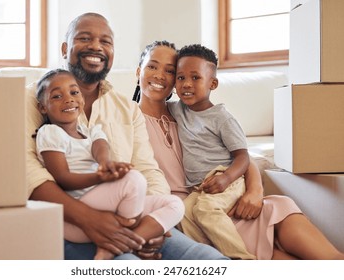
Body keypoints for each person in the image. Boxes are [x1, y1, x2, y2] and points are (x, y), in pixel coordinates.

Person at [26, 13, 228, 260]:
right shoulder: (32, 100)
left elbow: (148, 169)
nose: (96, 47)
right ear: (65, 48)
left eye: (106, 41)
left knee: (211, 260)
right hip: (68, 224)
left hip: (132, 219)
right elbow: (28, 173)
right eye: (85, 38)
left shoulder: (128, 109)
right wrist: (90, 219)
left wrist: (154, 227)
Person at [133, 40, 344, 260]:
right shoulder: (126, 121)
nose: (160, 75)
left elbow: (241, 156)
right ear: (139, 71)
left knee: (326, 255)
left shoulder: (185, 112)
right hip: (195, 219)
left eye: (170, 70)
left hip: (232, 200)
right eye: (152, 66)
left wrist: (255, 191)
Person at [34, 69, 184, 260]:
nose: (68, 99)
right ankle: (126, 240)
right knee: (133, 179)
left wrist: (107, 164)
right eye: (56, 96)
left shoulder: (90, 131)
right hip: (77, 220)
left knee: (174, 205)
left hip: (110, 210)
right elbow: (62, 178)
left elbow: (100, 146)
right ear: (43, 108)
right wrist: (99, 176)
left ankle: (123, 245)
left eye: (74, 92)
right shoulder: (51, 133)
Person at [166, 44, 254, 259]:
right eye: (180, 77)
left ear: (212, 83)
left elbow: (243, 156)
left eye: (195, 78)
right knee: (183, 213)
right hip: (199, 186)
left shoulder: (221, 117)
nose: (186, 84)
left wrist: (226, 178)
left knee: (205, 210)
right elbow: (150, 102)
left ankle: (242, 259)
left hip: (225, 178)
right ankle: (212, 258)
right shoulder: (177, 109)